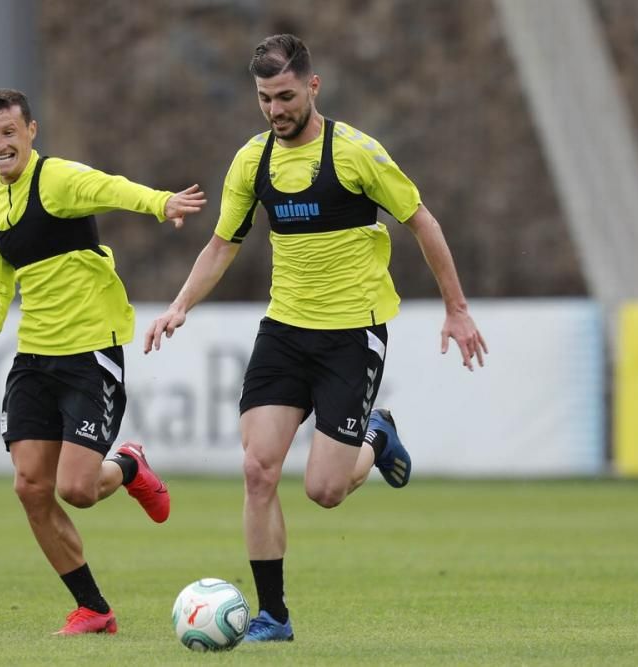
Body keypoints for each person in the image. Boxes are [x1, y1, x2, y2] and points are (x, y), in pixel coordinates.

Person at [143, 35, 487, 641]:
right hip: (284, 332)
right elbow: (223, 243)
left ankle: (376, 437)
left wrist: (455, 309)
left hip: (351, 336)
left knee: (325, 490)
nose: (275, 109)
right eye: (264, 98)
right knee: (257, 470)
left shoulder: (356, 153)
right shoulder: (252, 161)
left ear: (313, 86)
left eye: (285, 96)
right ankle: (273, 615)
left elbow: (421, 221)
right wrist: (180, 305)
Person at [0, 88, 206, 636]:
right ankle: (94, 609)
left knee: (76, 489)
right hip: (33, 356)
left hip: (89, 353)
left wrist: (160, 203)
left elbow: (110, 188)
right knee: (30, 487)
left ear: (31, 131)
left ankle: (127, 465)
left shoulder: (56, 181)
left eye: (8, 132)